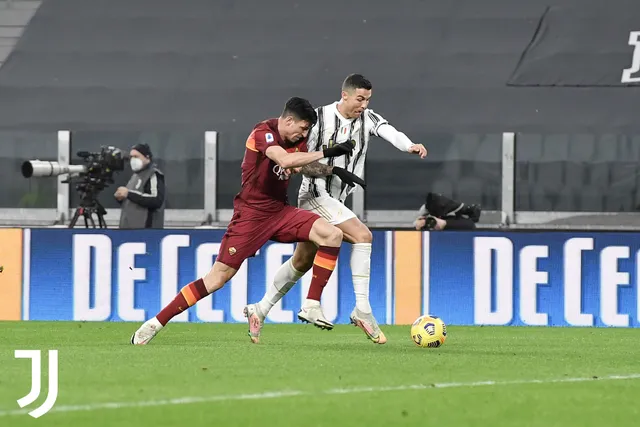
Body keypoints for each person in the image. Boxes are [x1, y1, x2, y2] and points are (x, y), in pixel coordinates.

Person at [131, 96, 365, 345]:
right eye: (303, 128)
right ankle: (155, 323)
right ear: (288, 120)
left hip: (279, 211)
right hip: (251, 215)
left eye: (307, 130)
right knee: (217, 278)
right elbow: (284, 160)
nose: (304, 134)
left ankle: (311, 304)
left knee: (332, 234)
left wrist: (333, 170)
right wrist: (328, 152)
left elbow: (299, 166)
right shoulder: (263, 132)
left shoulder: (298, 139)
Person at [244, 74, 428, 345]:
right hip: (316, 193)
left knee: (302, 261)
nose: (364, 105)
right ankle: (360, 309)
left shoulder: (369, 119)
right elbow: (299, 160)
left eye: (368, 99)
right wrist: (330, 168)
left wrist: (409, 145)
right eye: (360, 99)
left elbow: (391, 132)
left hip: (336, 199)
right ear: (345, 95)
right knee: (363, 236)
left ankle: (259, 309)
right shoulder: (319, 119)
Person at [115, 143, 166, 229]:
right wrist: (121, 198)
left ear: (147, 157)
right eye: (131, 157)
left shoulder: (153, 174)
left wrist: (128, 194)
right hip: (128, 228)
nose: (133, 160)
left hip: (145, 229)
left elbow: (156, 200)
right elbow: (133, 200)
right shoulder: (134, 176)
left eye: (136, 156)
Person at [414, 192, 481, 231]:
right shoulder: (428, 220)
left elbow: (470, 225)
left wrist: (445, 224)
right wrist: (420, 224)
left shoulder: (464, 222)